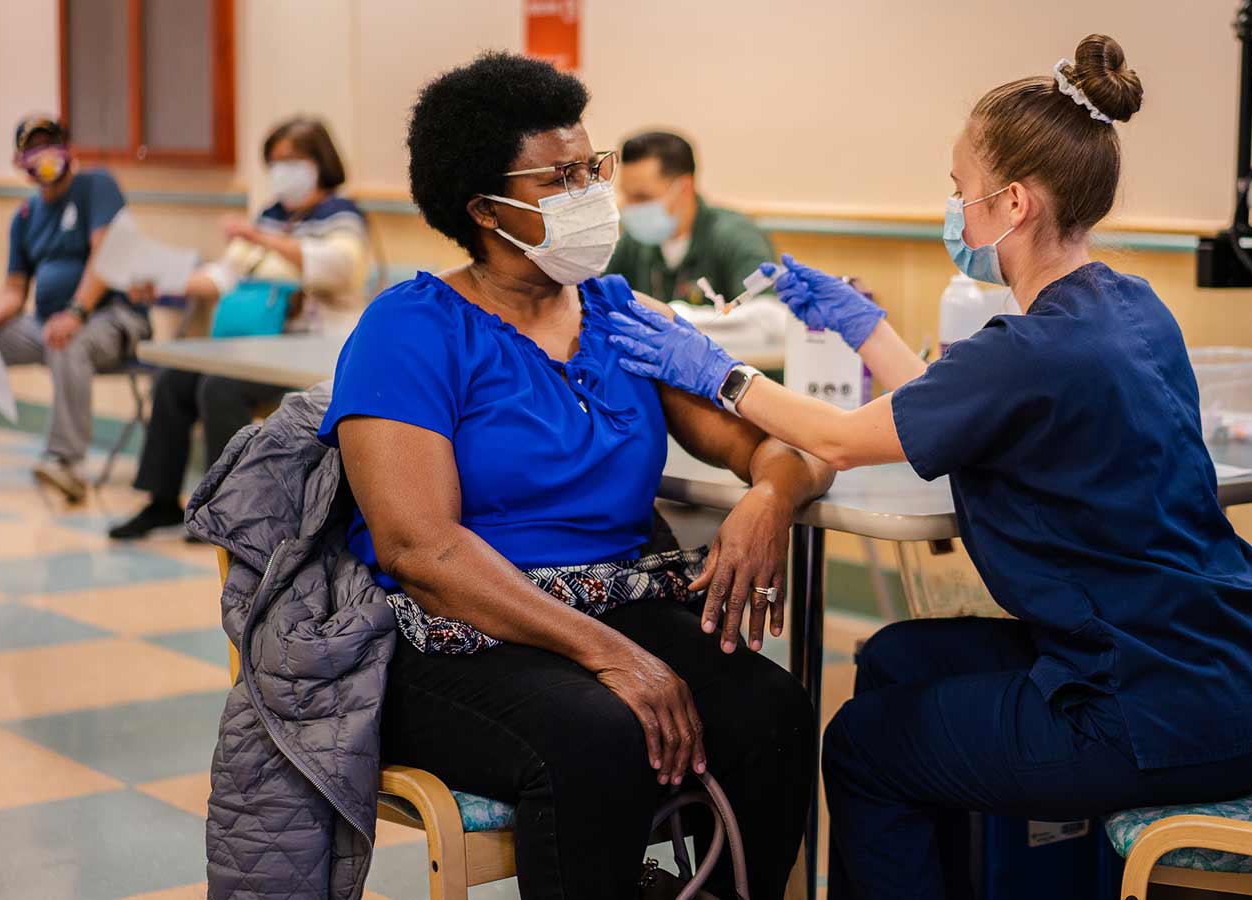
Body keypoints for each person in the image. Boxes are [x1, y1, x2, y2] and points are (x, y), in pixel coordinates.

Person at [607, 35, 1252, 899]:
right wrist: (864, 326)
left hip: (1148, 711)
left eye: (956, 190)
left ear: (1010, 203)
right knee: (898, 659)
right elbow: (956, 402)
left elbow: (842, 438)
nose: (952, 208)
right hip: (1238, 674)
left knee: (861, 748)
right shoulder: (1125, 306)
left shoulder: (1034, 346)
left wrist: (714, 369)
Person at [321, 53, 832, 900]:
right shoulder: (408, 331)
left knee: (770, 712)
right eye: (562, 177)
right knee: (599, 734)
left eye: (592, 167)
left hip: (612, 599)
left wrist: (770, 499)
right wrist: (614, 658)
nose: (594, 192)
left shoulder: (623, 316)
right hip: (458, 628)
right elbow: (421, 549)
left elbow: (779, 446)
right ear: (486, 209)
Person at [108, 118, 371, 540]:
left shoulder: (340, 216)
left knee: (218, 387)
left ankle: (226, 510)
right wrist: (161, 285)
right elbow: (222, 277)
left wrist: (261, 237)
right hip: (253, 345)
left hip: (311, 347)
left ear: (319, 161)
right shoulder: (268, 217)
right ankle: (161, 502)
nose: (282, 170)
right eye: (275, 161)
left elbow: (342, 270)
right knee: (175, 381)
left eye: (293, 160)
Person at [0, 116, 150, 501]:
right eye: (33, 149)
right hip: (44, 320)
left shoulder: (97, 186)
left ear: (67, 150)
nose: (43, 156)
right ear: (19, 162)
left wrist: (76, 312)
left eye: (50, 144)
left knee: (64, 338)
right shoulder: (25, 217)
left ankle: (66, 464)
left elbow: (105, 255)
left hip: (110, 317)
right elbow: (14, 285)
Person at [606, 130, 775, 304]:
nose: (630, 208)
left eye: (643, 197)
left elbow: (764, 315)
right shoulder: (633, 243)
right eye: (627, 196)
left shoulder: (737, 238)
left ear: (685, 189)